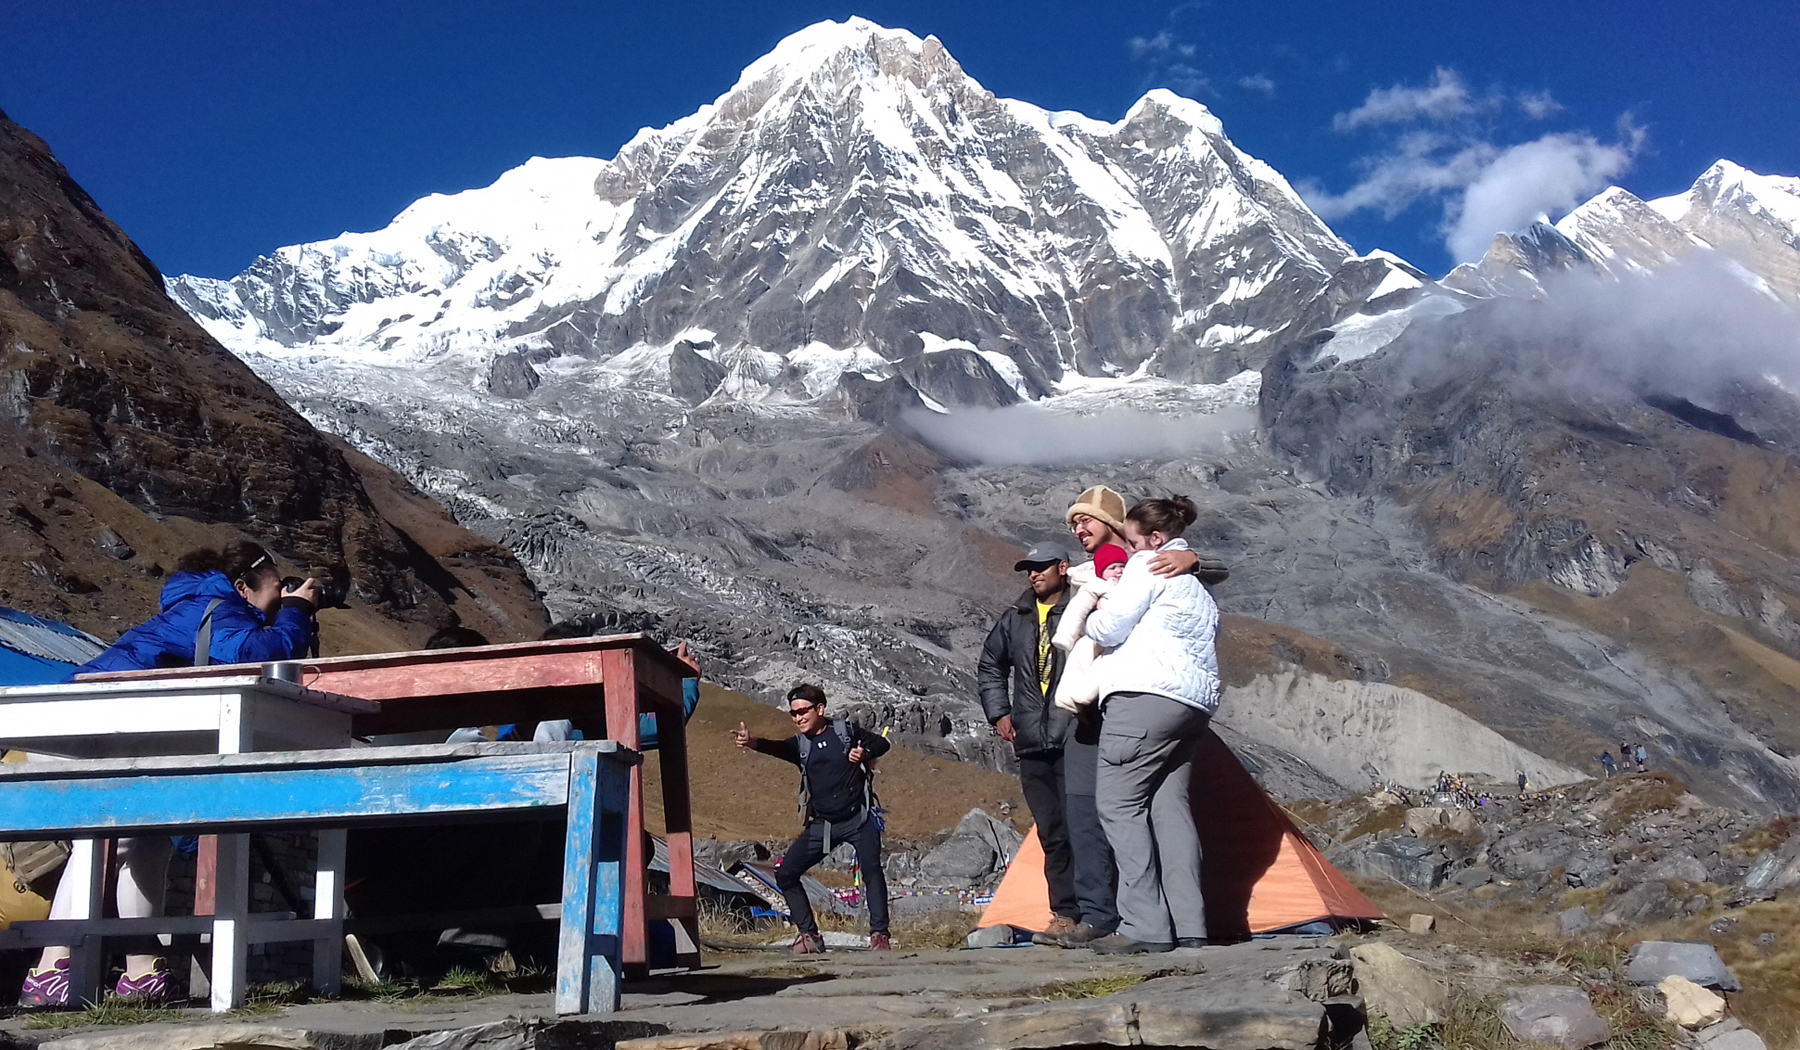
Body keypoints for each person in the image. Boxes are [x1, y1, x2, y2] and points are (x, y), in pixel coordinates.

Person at [20, 542, 320, 1007]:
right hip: (83, 730)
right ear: (242, 586)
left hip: (108, 730)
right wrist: (299, 610)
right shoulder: (214, 609)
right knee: (106, 840)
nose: (281, 598)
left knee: (151, 841)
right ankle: (52, 968)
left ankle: (141, 972)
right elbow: (262, 652)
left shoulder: (203, 608)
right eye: (277, 588)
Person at [1051, 485, 1229, 949]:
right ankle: (1190, 925)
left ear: (1151, 539)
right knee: (1170, 810)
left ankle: (1144, 926)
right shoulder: (1197, 587)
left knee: (1118, 806)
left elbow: (1109, 627)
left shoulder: (1144, 567)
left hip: (1142, 699)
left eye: (1131, 541)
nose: (1127, 551)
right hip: (1193, 705)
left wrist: (1094, 614)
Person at [732, 684, 892, 954]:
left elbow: (882, 743)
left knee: (872, 871)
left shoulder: (845, 733)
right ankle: (809, 935)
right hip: (824, 825)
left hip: (860, 819)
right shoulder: (800, 745)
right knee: (786, 873)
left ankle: (880, 936)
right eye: (793, 714)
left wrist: (863, 754)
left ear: (820, 709)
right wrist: (751, 743)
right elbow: (778, 748)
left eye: (802, 711)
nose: (797, 718)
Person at [977, 544, 1079, 943]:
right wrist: (1000, 712)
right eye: (1028, 569)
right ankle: (1065, 914)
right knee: (1052, 831)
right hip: (1031, 740)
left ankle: (1103, 910)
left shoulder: (1080, 607)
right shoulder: (1015, 617)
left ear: (1063, 568)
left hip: (1074, 735)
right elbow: (990, 664)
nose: (1034, 575)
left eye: (1041, 567)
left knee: (1083, 826)